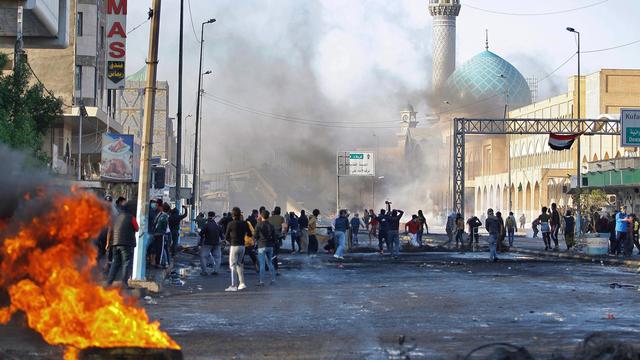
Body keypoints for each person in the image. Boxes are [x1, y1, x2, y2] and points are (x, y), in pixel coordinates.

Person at [105, 200, 139, 288]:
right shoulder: (131, 217)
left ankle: (109, 282)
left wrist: (108, 243)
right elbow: (137, 228)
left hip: (115, 244)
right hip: (126, 244)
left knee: (115, 263)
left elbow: (110, 230)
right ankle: (124, 284)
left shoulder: (115, 217)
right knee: (126, 263)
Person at [224, 207, 250, 292]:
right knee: (239, 265)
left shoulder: (231, 224)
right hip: (242, 246)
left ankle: (233, 285)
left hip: (234, 246)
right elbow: (249, 233)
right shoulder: (244, 223)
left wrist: (229, 241)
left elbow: (226, 236)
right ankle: (242, 283)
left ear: (232, 215)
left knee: (232, 266)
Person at [254, 210, 277, 286]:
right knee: (270, 263)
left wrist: (258, 240)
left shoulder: (259, 225)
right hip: (270, 246)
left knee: (262, 264)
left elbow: (255, 236)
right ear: (268, 216)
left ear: (261, 216)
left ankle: (261, 281)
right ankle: (273, 280)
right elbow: (274, 237)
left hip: (261, 246)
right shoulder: (271, 225)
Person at [199, 211, 222, 276]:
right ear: (214, 217)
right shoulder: (218, 225)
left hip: (207, 243)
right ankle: (216, 270)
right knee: (217, 257)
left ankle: (204, 271)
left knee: (203, 256)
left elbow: (201, 234)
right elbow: (222, 236)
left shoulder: (206, 225)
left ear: (208, 216)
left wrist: (202, 239)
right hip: (217, 244)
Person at [268, 206, 286, 274]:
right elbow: (285, 227)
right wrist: (283, 234)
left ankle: (269, 266)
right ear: (280, 211)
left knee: (271, 253)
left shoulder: (269, 218)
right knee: (275, 253)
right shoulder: (281, 218)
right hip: (277, 238)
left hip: (270, 238)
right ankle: (276, 269)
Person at [152, 203, 170, 268]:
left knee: (161, 249)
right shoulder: (162, 215)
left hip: (160, 234)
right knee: (160, 249)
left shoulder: (163, 215)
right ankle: (161, 263)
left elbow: (162, 225)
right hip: (159, 234)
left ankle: (162, 263)